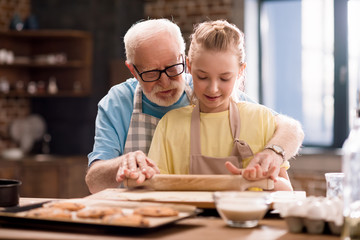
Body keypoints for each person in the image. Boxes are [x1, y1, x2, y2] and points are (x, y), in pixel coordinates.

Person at [86, 18, 303, 193]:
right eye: (151, 73)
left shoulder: (215, 94)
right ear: (133, 71)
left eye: (172, 68)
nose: (164, 81)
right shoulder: (119, 103)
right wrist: (124, 163)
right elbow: (95, 182)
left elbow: (289, 129)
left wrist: (273, 153)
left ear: (184, 63)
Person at [147, 20, 293, 190]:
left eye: (224, 78)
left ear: (240, 71)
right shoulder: (170, 124)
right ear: (189, 66)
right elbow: (154, 190)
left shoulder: (261, 119)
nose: (213, 88)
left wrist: (262, 181)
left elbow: (287, 192)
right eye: (202, 77)